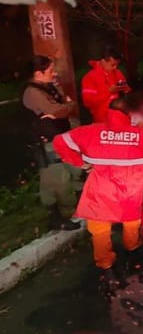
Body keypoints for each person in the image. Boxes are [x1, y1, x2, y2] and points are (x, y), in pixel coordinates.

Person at [53, 94, 143, 278]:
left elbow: (59, 142)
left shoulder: (89, 132)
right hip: (130, 195)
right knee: (132, 224)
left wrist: (80, 162)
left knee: (100, 230)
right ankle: (132, 249)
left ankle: (105, 265)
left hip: (99, 196)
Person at [22, 55, 80, 231]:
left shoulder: (48, 87)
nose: (54, 74)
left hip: (60, 137)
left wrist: (64, 106)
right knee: (56, 179)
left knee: (73, 172)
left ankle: (73, 209)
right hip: (47, 142)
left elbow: (62, 108)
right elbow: (58, 109)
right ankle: (58, 217)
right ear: (38, 73)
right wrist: (67, 107)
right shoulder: (33, 93)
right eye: (50, 71)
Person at [81, 48, 130, 125]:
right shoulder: (89, 77)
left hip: (120, 117)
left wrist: (125, 89)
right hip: (101, 120)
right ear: (103, 61)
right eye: (113, 65)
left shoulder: (117, 73)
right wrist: (109, 92)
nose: (115, 67)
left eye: (117, 65)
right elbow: (88, 102)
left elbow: (126, 89)